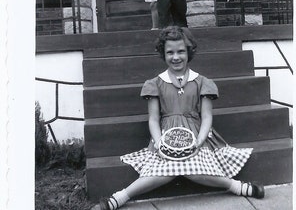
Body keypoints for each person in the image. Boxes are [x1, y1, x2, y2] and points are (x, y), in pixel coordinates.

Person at [90, 26, 265, 210]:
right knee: (164, 170)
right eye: (170, 52)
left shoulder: (202, 82)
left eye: (181, 51)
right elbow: (153, 119)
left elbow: (206, 117)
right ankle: (119, 198)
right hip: (166, 137)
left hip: (198, 137)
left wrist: (199, 141)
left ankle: (237, 187)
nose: (176, 57)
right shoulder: (155, 83)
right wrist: (159, 142)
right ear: (163, 54)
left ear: (189, 52)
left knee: (195, 169)